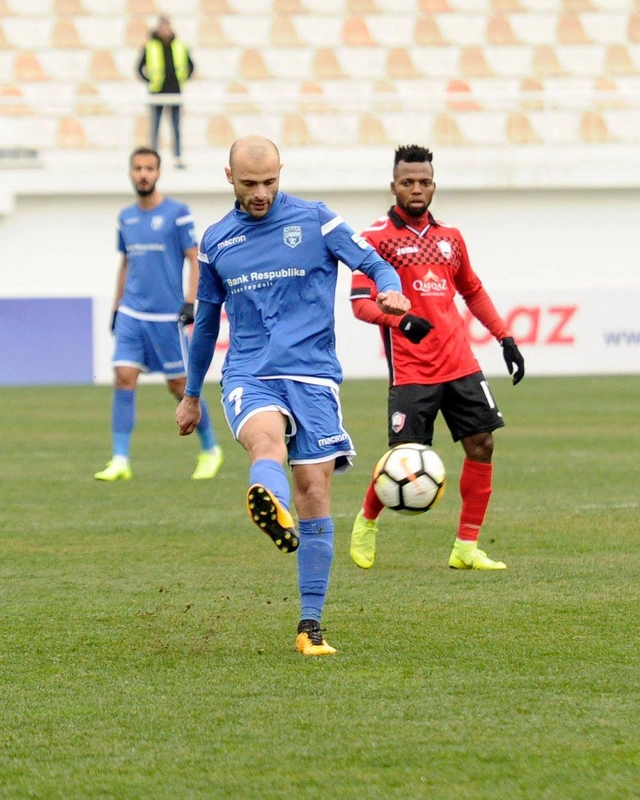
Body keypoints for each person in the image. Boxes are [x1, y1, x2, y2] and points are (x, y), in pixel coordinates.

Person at [175, 135, 412, 656]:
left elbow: (374, 263)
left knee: (315, 494)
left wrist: (391, 288)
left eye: (269, 181)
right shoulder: (216, 241)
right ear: (229, 177)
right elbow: (208, 322)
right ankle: (272, 506)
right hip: (250, 374)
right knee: (267, 441)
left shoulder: (316, 220)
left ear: (281, 172)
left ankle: (310, 627)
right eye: (249, 183)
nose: (260, 193)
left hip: (313, 378)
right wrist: (192, 395)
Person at [346, 144, 525, 572]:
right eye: (407, 182)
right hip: (412, 369)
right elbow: (359, 303)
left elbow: (472, 290)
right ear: (393, 186)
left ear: (434, 186)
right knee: (403, 459)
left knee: (482, 444)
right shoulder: (374, 239)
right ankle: (366, 521)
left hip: (460, 362)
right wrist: (400, 321)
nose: (416, 188)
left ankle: (466, 547)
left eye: (424, 182)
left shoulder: (451, 237)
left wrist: (504, 336)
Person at [95, 147, 223, 482]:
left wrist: (191, 301)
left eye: (149, 168)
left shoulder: (177, 213)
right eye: (138, 168)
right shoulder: (126, 217)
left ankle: (210, 449)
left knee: (180, 386)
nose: (143, 174)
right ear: (130, 172)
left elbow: (194, 258)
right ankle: (120, 459)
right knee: (123, 376)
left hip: (167, 316)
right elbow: (126, 263)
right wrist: (116, 307)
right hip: (132, 313)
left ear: (158, 173)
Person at [137, 16, 193, 170]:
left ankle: (177, 157)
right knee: (155, 127)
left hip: (175, 92)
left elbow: (190, 65)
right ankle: (152, 159)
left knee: (175, 126)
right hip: (157, 92)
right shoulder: (151, 46)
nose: (166, 30)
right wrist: (150, 81)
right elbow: (139, 68)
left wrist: (183, 79)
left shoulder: (179, 46)